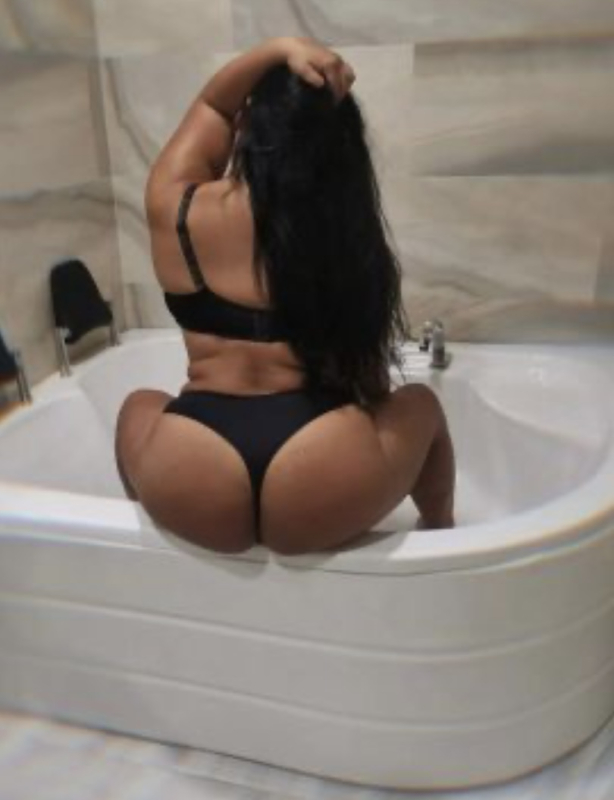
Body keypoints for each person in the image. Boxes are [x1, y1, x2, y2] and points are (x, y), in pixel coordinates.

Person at [115, 36, 455, 555]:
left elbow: (213, 104)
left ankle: (164, 561)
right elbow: (371, 381)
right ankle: (441, 537)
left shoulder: (177, 206)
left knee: (138, 406)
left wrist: (278, 49)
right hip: (317, 475)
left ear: (246, 128)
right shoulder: (342, 230)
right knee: (422, 405)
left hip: (193, 471)